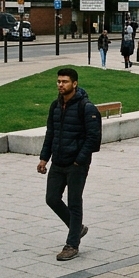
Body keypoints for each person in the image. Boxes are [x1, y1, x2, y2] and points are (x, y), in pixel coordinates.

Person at [38, 67, 101, 261]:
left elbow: (94, 138)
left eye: (64, 82)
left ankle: (72, 244)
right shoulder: (55, 106)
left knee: (74, 202)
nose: (60, 85)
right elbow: (51, 133)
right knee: (52, 198)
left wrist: (78, 160)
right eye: (58, 81)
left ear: (74, 84)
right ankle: (77, 228)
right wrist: (44, 158)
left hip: (76, 164)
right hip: (57, 161)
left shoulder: (86, 107)